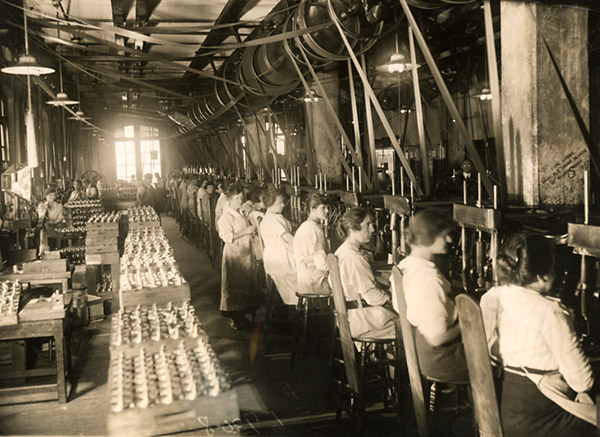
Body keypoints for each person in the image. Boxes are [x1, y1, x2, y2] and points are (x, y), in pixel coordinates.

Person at [481, 234, 595, 436]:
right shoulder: (550, 311)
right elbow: (582, 381)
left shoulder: (491, 297)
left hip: (501, 408)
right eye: (553, 268)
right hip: (539, 418)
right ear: (542, 276)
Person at [397, 209, 468, 382]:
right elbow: (437, 338)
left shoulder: (405, 266)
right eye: (444, 235)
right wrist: (469, 324)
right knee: (503, 362)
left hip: (424, 351)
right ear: (429, 237)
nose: (449, 240)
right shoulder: (428, 279)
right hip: (443, 358)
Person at [335, 207, 397, 339]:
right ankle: (391, 358)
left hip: (351, 317)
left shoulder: (342, 251)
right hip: (362, 320)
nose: (373, 230)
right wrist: (392, 298)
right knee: (412, 327)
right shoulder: (354, 258)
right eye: (368, 225)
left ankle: (382, 356)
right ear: (352, 229)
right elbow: (373, 298)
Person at [217, 183, 259, 330]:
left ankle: (242, 317)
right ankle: (235, 319)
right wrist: (246, 231)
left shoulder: (239, 212)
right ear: (229, 199)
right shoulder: (226, 216)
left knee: (244, 286)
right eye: (237, 198)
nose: (240, 201)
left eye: (241, 198)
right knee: (235, 287)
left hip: (244, 253)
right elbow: (226, 236)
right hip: (234, 255)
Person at [260, 188, 298, 306]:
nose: (283, 205)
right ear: (271, 203)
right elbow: (289, 239)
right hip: (281, 261)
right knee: (309, 276)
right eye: (280, 202)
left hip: (280, 258)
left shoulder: (275, 216)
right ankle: (302, 308)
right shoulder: (271, 219)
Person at [293, 193, 330, 295]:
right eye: (323, 208)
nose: (327, 211)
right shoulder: (314, 230)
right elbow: (321, 263)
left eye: (328, 207)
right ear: (313, 209)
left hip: (305, 280)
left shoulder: (304, 227)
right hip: (316, 282)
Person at [37, 187, 66, 254]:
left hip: (57, 226)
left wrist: (53, 223)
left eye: (53, 195)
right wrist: (45, 209)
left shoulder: (59, 206)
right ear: (46, 196)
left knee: (59, 230)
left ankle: (58, 251)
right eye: (50, 195)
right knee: (43, 231)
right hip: (46, 228)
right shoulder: (41, 206)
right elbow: (41, 219)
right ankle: (44, 252)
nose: (52, 197)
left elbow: (60, 218)